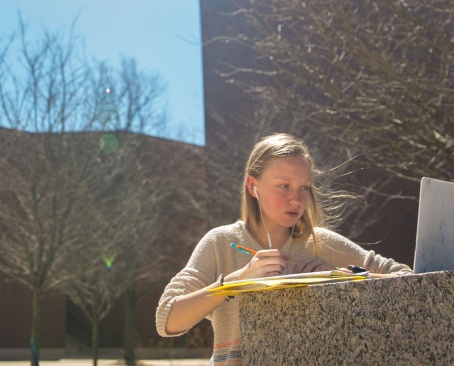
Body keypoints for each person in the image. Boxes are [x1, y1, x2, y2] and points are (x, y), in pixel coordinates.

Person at [156, 133, 412, 365]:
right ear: (252, 186)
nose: (297, 199)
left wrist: (344, 276)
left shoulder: (321, 243)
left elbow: (409, 281)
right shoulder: (220, 242)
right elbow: (167, 319)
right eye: (284, 186)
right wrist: (234, 282)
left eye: (304, 187)